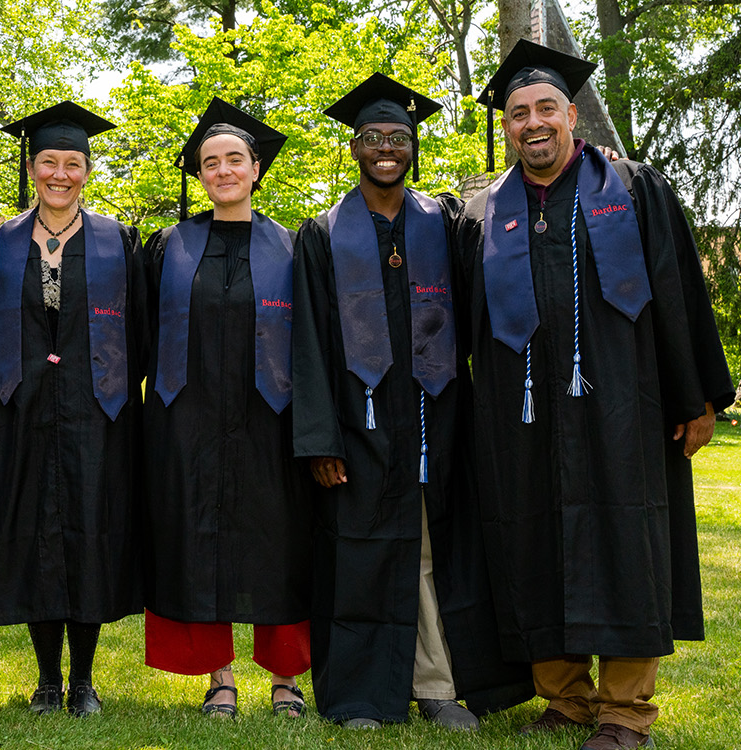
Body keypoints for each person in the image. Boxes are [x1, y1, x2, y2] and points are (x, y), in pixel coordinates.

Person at [455, 40, 734, 750]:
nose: (532, 122)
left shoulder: (632, 188)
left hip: (622, 409)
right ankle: (564, 698)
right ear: (507, 127)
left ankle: (623, 711)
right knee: (530, 538)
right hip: (521, 414)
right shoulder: (483, 213)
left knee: (625, 540)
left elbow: (677, 294)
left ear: (572, 114)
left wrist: (693, 396)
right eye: (518, 113)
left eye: (546, 107)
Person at [292, 73, 533, 730]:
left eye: (399, 137)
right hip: (358, 421)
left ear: (413, 147)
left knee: (433, 550)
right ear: (354, 149)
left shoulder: (446, 222)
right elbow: (307, 341)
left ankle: (437, 686)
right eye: (373, 137)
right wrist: (319, 438)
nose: (386, 148)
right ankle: (363, 696)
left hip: (437, 419)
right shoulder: (322, 234)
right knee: (361, 555)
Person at [0, 101, 147, 718]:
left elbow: (141, 333)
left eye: (73, 163)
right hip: (18, 409)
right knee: (33, 533)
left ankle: (85, 680)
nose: (60, 174)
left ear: (88, 171)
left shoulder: (116, 240)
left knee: (89, 530)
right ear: (31, 165)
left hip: (98, 408)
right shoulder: (2, 241)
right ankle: (47, 679)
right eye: (49, 161)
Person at [141, 98, 312, 719]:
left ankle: (287, 678)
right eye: (209, 162)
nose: (222, 171)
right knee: (198, 539)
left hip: (271, 417)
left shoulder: (293, 247)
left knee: (279, 540)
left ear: (256, 168)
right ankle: (219, 677)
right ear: (198, 174)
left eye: (234, 159)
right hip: (186, 418)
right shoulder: (166, 247)